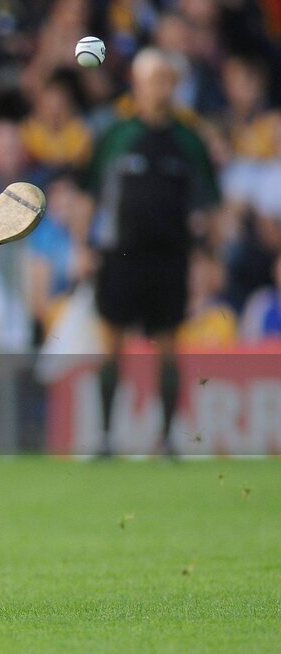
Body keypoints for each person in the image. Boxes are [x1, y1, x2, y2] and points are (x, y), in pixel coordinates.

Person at [84, 47, 220, 457]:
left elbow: (210, 205)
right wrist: (83, 247)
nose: (159, 88)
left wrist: (208, 257)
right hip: (120, 256)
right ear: (137, 85)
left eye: (166, 80)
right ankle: (106, 439)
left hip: (170, 258)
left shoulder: (189, 141)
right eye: (151, 80)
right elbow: (91, 197)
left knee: (168, 347)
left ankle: (167, 439)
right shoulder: (116, 136)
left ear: (174, 86)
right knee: (113, 345)